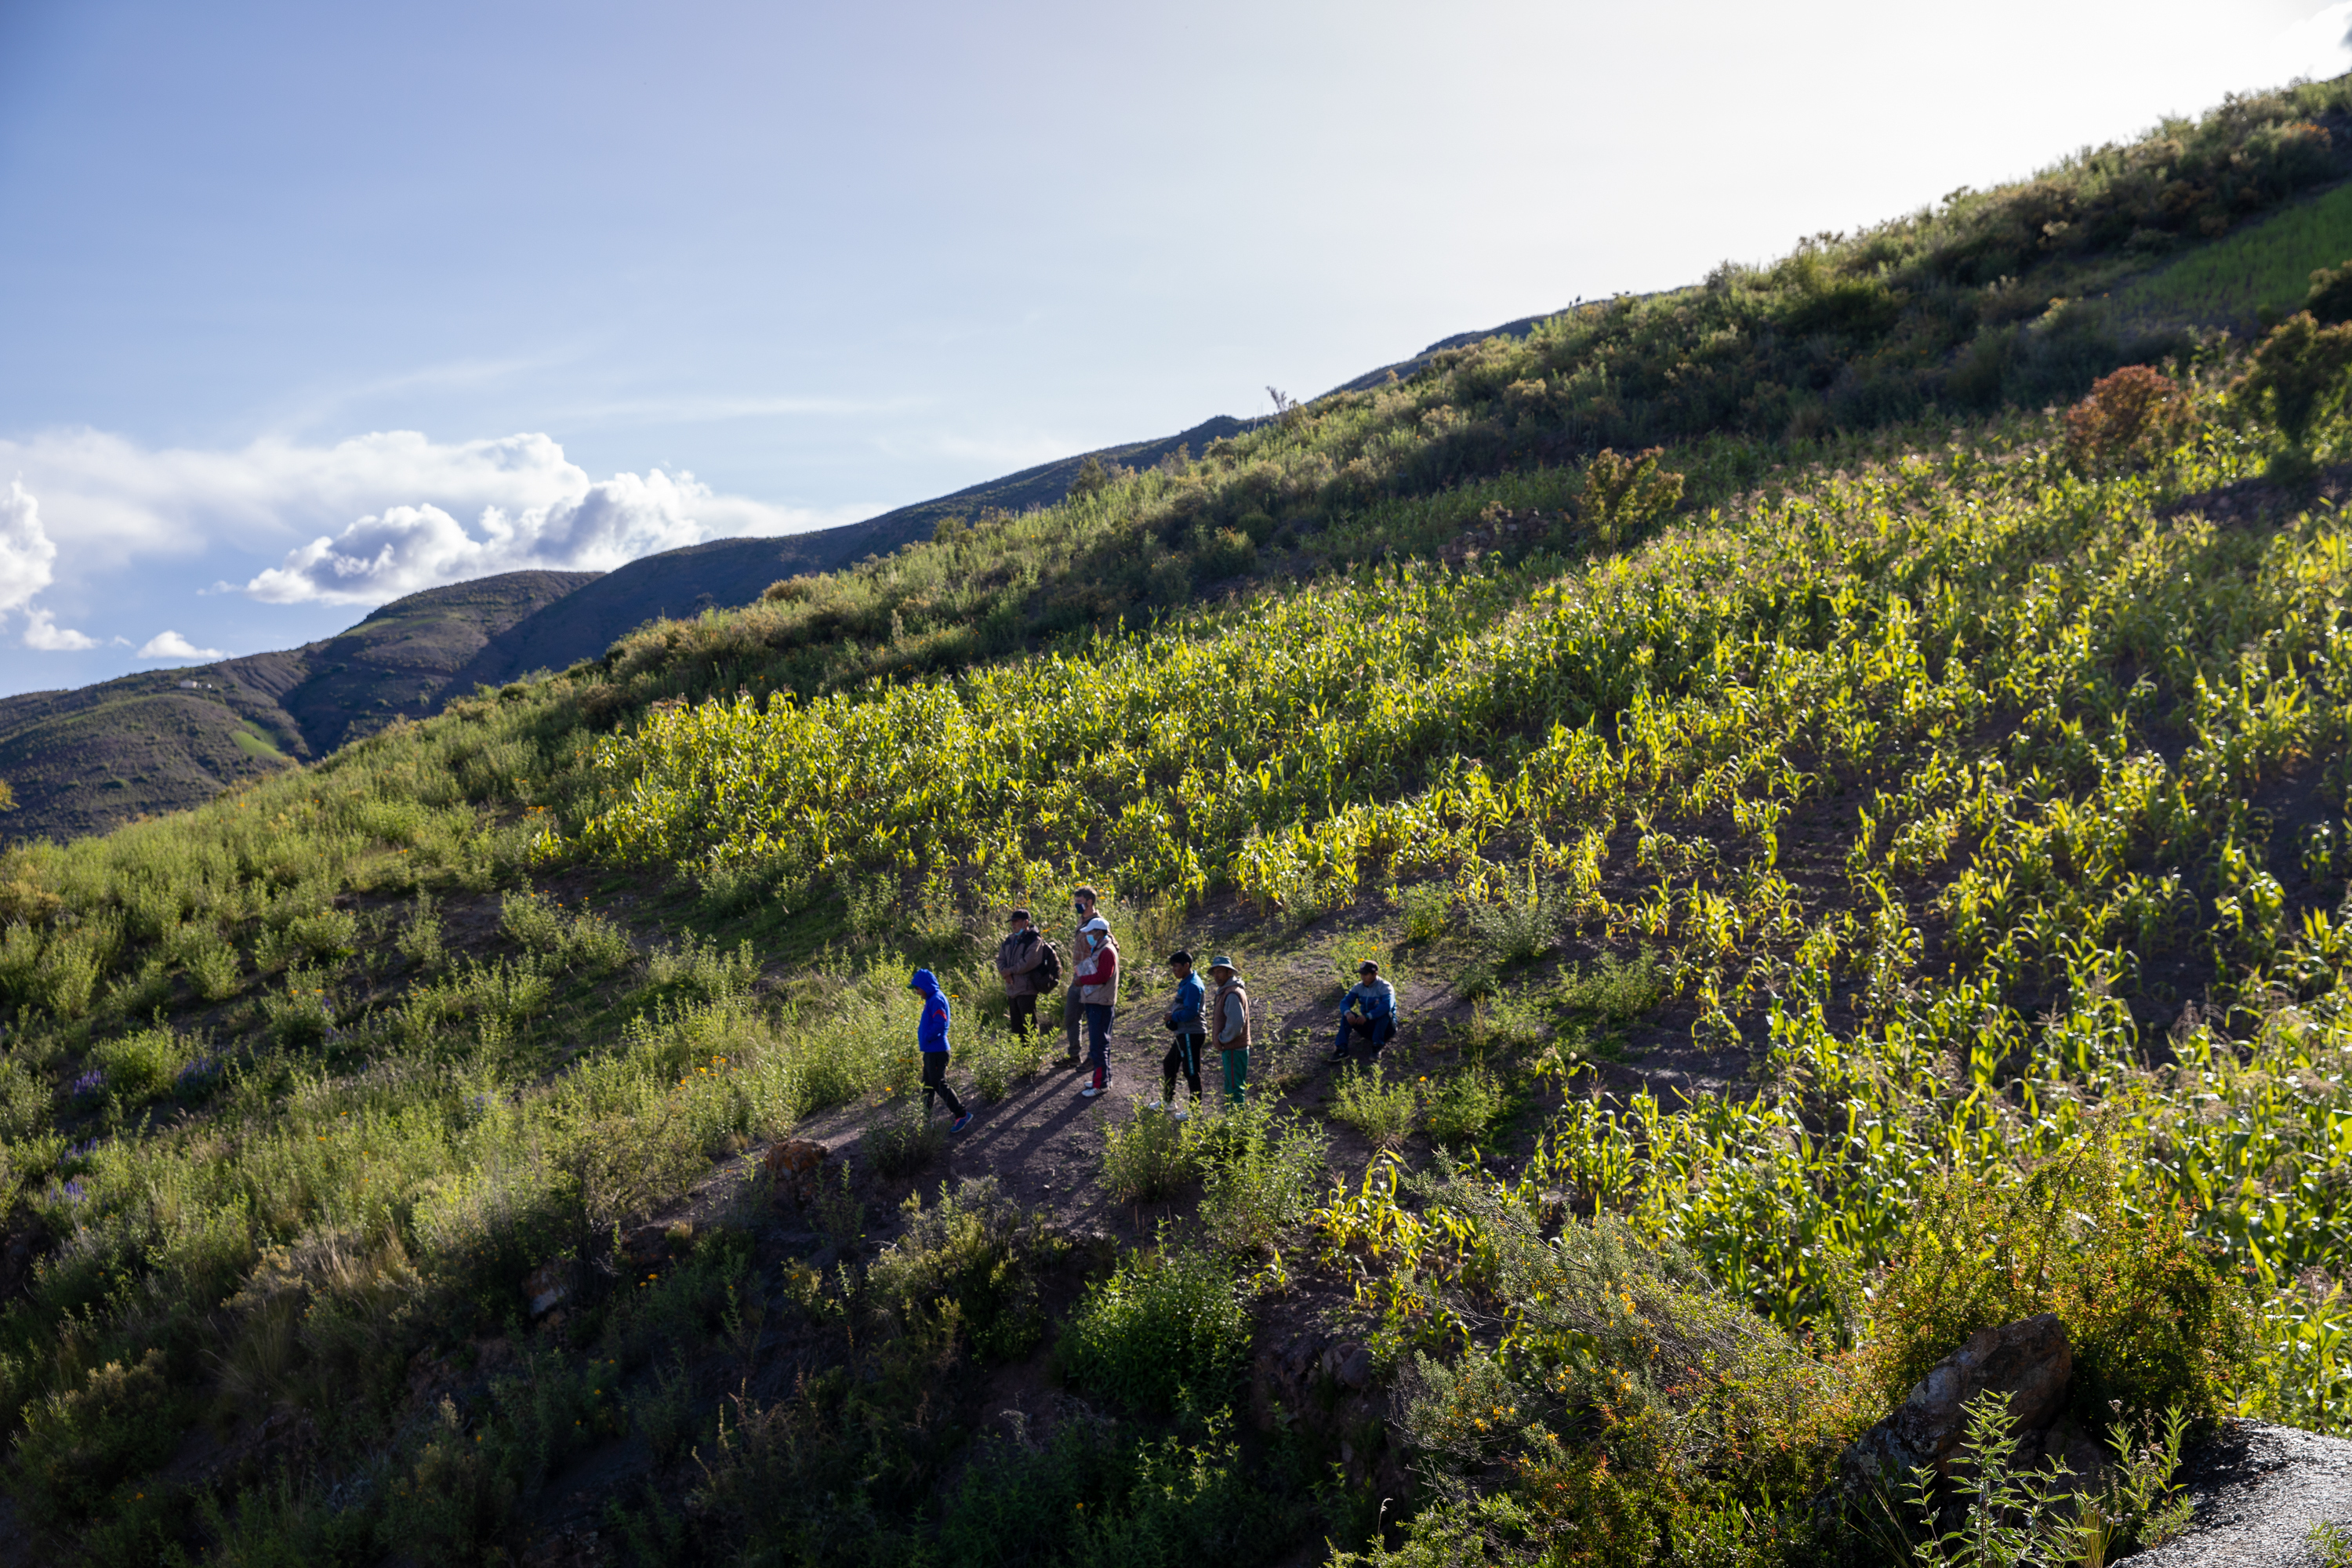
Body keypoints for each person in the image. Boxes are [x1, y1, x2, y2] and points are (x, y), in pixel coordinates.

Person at [908, 967, 973, 1133]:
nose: (916, 992)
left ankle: (962, 1114)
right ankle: (926, 1119)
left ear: (925, 986)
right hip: (931, 1051)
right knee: (928, 1086)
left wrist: (928, 1037)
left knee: (938, 1084)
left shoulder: (936, 999)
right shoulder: (931, 999)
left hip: (937, 1050)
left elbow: (941, 1024)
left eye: (917, 988)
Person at [1152, 950, 1205, 1118]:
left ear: (1186, 965)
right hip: (1183, 1032)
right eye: (1173, 967)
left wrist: (1173, 1017)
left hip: (1191, 1033)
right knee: (1169, 1063)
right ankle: (1168, 1102)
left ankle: (1194, 1110)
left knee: (1191, 1071)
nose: (1174, 970)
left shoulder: (1192, 985)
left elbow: (1191, 1013)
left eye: (1176, 966)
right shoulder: (1185, 981)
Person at [1073, 913, 1120, 1098]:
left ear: (1099, 932)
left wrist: (1081, 981)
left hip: (1100, 1002)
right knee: (1100, 1044)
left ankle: (1100, 1084)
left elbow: (1103, 976)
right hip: (1097, 1001)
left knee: (1099, 1045)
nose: (1088, 935)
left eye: (1091, 932)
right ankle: (1103, 1079)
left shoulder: (1106, 950)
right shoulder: (1100, 948)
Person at [1061, 887, 1103, 1067]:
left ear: (1090, 902)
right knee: (1071, 1015)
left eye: (1079, 902)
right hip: (1078, 977)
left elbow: (1108, 948)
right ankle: (1074, 1055)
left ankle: (1094, 1058)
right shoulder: (1082, 920)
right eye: (1076, 902)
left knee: (1093, 1020)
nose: (1076, 905)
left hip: (1092, 979)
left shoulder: (1099, 923)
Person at [1331, 960, 1397, 1065]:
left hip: (1386, 1029)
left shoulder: (1385, 987)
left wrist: (1367, 1016)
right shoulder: (1358, 987)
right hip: (1368, 1025)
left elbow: (1386, 1006)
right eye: (1361, 974)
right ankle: (1341, 1049)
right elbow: (1345, 1002)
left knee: (1384, 1014)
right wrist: (1348, 1013)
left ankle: (1377, 1046)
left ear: (1375, 974)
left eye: (1366, 974)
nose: (1363, 977)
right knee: (1346, 1016)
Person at [995, 909, 1047, 1039]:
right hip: (1012, 990)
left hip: (1027, 989)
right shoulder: (1009, 940)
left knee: (1030, 1025)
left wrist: (1009, 971)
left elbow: (1028, 962)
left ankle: (1033, 1054)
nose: (1013, 924)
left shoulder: (1034, 939)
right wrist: (1004, 972)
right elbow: (1000, 959)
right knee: (1016, 1027)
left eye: (1016, 921)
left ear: (1026, 922)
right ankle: (1021, 1056)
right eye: (1012, 921)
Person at [1207, 955, 1250, 1106]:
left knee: (1235, 1088)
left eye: (1220, 972)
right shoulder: (1227, 991)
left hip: (1234, 1048)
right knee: (1232, 1085)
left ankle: (1236, 1124)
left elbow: (1236, 1023)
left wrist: (1222, 1039)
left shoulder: (1231, 993)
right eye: (1215, 972)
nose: (1216, 976)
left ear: (1229, 973)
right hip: (1233, 1048)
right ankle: (1233, 1121)